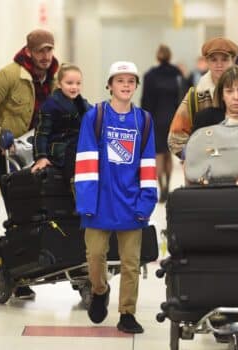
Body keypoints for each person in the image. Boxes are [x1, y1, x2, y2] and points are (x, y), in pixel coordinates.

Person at [0, 29, 59, 300]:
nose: (46, 56)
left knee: (45, 214)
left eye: (50, 50)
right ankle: (5, 265)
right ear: (30, 51)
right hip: (9, 158)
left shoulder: (55, 78)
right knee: (21, 217)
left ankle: (30, 266)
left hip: (40, 157)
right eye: (41, 51)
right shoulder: (11, 74)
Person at [74, 61, 157, 333]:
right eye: (119, 81)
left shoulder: (144, 120)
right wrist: (86, 202)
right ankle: (99, 290)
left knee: (131, 264)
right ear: (110, 85)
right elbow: (85, 161)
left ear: (135, 86)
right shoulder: (95, 116)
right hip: (99, 203)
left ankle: (127, 313)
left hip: (132, 204)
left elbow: (147, 163)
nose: (125, 85)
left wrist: (146, 202)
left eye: (130, 81)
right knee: (95, 255)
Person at [168, 36, 238, 158]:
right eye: (214, 60)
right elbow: (175, 139)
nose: (219, 64)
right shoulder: (196, 96)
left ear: (233, 60)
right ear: (207, 62)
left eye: (225, 59)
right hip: (208, 173)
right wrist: (194, 160)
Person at [31, 63, 91, 182]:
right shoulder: (50, 105)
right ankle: (73, 185)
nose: (74, 87)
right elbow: (41, 134)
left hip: (78, 148)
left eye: (78, 83)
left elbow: (97, 115)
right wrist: (41, 157)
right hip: (60, 151)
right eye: (69, 83)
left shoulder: (82, 103)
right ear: (59, 84)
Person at [141, 44, 183, 202]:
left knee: (158, 154)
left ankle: (162, 187)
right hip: (173, 118)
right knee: (168, 155)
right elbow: (182, 96)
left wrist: (145, 120)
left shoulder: (150, 76)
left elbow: (145, 100)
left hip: (156, 119)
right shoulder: (176, 73)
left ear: (157, 57)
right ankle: (168, 185)